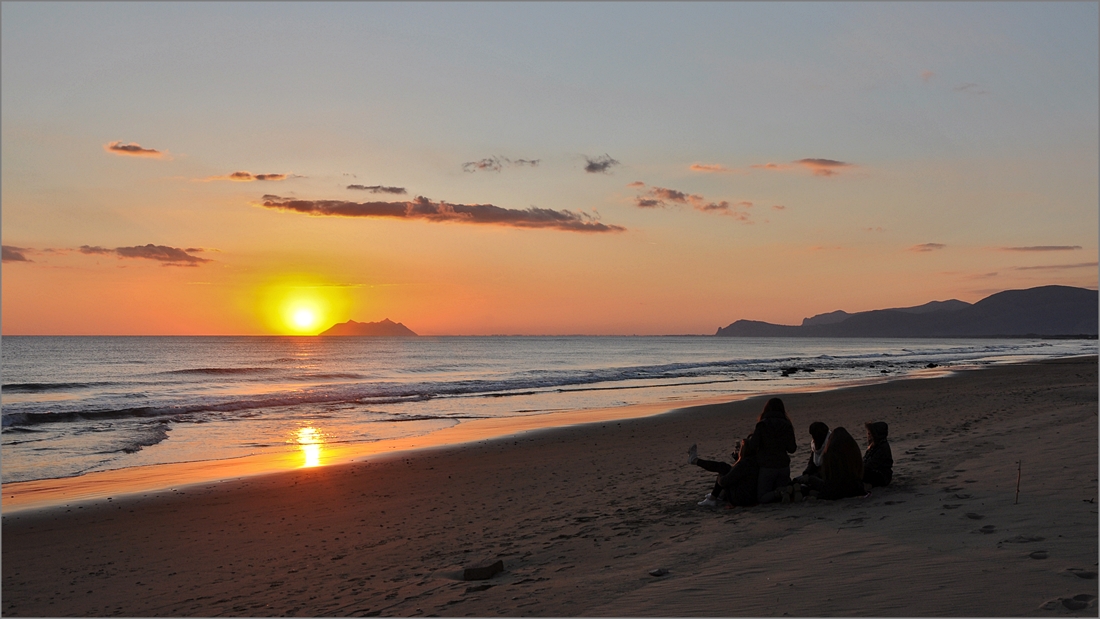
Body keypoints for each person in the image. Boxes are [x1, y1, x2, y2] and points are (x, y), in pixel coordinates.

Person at [746, 397, 797, 503]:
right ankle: (786, 491)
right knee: (777, 493)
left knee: (761, 497)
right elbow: (792, 449)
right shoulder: (787, 425)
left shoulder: (762, 424)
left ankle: (780, 492)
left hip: (767, 466)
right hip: (783, 465)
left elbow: (753, 445)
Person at [688, 434, 758, 507]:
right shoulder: (753, 460)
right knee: (724, 467)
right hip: (748, 495)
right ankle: (713, 497)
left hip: (740, 499)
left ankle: (695, 460)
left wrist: (720, 477)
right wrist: (737, 457)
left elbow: (725, 481)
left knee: (723, 468)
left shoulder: (744, 464)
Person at [798, 427, 866, 500]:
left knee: (810, 480)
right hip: (855, 486)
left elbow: (828, 475)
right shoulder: (854, 450)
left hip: (834, 489)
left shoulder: (831, 453)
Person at [862, 421, 893, 488]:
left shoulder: (882, 448)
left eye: (870, 434)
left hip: (882, 476)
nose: (868, 435)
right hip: (875, 473)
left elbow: (871, 464)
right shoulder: (874, 446)